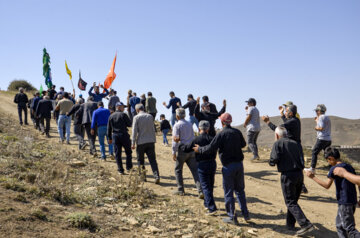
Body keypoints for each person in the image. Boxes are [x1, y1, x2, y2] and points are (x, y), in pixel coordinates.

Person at [193, 113, 249, 225]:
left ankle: (232, 216)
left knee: (228, 192)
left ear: (222, 122)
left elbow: (211, 148)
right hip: (239, 165)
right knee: (240, 190)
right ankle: (246, 214)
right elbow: (243, 144)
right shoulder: (237, 132)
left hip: (228, 166)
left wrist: (200, 150)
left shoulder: (221, 134)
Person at [269, 126, 314, 236]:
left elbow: (273, 160)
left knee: (290, 201)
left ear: (277, 135)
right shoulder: (296, 143)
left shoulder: (278, 143)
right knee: (293, 201)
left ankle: (305, 224)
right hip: (299, 174)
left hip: (288, 175)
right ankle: (290, 224)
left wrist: (273, 161)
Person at [306, 147, 360, 238]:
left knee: (349, 228)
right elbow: (358, 182)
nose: (328, 162)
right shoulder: (349, 167)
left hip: (344, 203)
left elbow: (327, 185)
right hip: (352, 201)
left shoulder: (334, 169)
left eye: (328, 160)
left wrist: (313, 177)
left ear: (331, 158)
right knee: (339, 225)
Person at [262, 105, 309, 194]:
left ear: (291, 113)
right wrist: (282, 115)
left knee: (292, 168)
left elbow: (278, 129)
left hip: (292, 148)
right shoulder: (295, 120)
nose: (285, 113)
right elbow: (287, 123)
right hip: (296, 147)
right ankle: (301, 186)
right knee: (297, 168)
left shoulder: (293, 121)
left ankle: (297, 187)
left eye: (286, 111)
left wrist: (268, 122)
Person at [180, 120, 217, 215]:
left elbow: (186, 149)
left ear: (199, 128)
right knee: (210, 184)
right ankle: (207, 204)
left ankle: (212, 208)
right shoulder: (213, 139)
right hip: (212, 163)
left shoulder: (196, 140)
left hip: (202, 164)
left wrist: (180, 144)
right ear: (208, 129)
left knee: (205, 186)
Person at [171, 108, 202, 197]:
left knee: (178, 170)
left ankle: (181, 190)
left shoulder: (177, 125)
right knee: (195, 171)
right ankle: (200, 191)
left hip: (182, 150)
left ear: (177, 116)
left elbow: (175, 140)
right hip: (191, 150)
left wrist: (174, 152)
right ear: (184, 115)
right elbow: (193, 137)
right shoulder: (189, 124)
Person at [131, 104, 160, 184]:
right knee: (153, 160)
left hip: (141, 142)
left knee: (140, 160)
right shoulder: (150, 116)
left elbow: (134, 131)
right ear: (143, 108)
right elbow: (152, 128)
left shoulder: (136, 117)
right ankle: (156, 176)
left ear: (137, 110)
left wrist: (133, 143)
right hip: (150, 141)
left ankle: (143, 177)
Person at [305, 104, 332, 175]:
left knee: (314, 152)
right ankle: (332, 167)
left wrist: (315, 128)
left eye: (317, 110)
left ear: (320, 111)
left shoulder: (321, 117)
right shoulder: (326, 117)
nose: (316, 112)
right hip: (328, 139)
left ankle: (312, 168)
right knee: (328, 153)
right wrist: (317, 121)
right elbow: (322, 126)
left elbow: (321, 128)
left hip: (322, 138)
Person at [108, 102, 133, 174]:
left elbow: (109, 128)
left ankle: (120, 169)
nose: (124, 108)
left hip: (115, 135)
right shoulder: (123, 115)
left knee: (118, 153)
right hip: (124, 135)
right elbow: (129, 124)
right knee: (128, 152)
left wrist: (109, 138)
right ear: (118, 107)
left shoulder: (111, 116)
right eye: (123, 107)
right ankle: (129, 168)